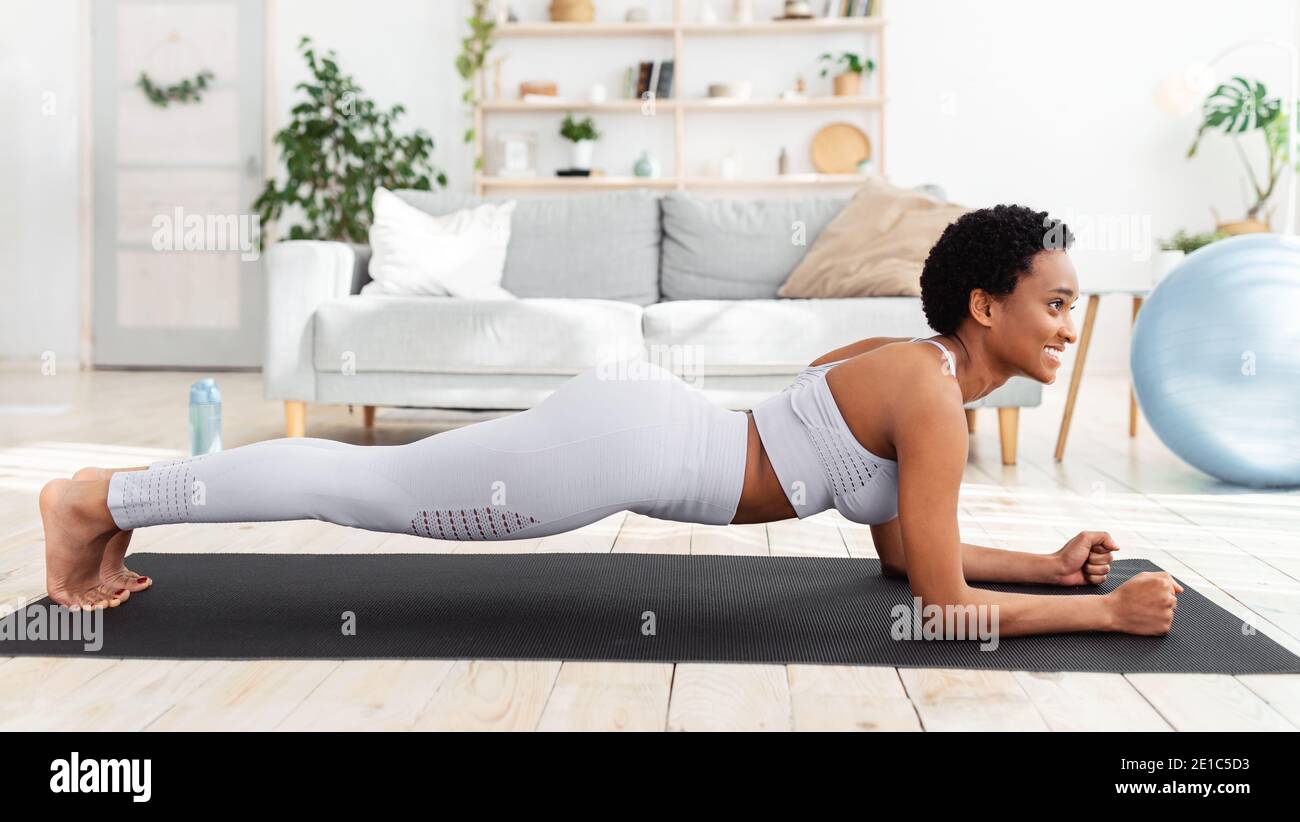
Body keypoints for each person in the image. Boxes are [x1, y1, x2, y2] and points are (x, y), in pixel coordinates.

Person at [38, 204, 1182, 637]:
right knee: (364, 490)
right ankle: (95, 497)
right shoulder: (930, 398)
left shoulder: (918, 376)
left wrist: (1044, 566)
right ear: (988, 306)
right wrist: (1108, 619)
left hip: (638, 426)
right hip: (621, 448)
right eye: (1056, 302)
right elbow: (939, 609)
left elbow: (905, 559)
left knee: (368, 487)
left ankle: (112, 502)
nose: (1070, 325)